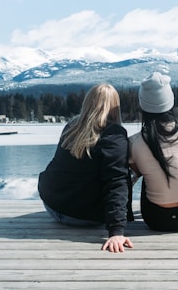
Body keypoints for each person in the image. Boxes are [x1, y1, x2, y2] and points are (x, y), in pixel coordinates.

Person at [38, 83, 134, 253]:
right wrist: (117, 231)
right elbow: (116, 183)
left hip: (53, 206)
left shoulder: (71, 128)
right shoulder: (114, 136)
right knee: (124, 174)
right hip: (83, 217)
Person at [129, 72, 178, 232]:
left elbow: (132, 167)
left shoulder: (135, 142)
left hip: (155, 220)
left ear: (143, 105)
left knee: (148, 166)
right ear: (170, 101)